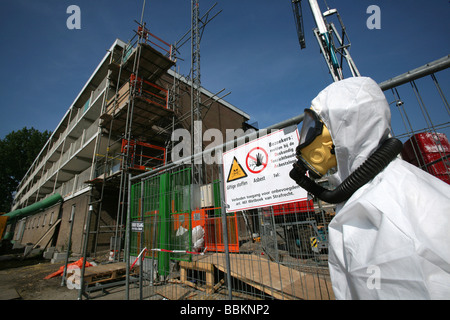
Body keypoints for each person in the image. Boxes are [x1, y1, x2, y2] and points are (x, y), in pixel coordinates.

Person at [290, 76, 450, 299]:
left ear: (342, 131)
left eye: (312, 128)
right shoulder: (372, 192)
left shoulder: (383, 214)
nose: (304, 142)